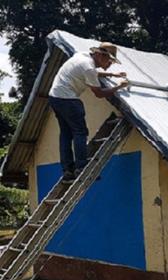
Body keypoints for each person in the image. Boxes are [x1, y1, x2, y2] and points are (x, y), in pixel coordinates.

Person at [48, 42, 128, 183]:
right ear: (98, 55)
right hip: (68, 99)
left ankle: (67, 171)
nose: (109, 64)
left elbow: (92, 72)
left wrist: (111, 74)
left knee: (66, 134)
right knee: (80, 132)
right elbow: (99, 93)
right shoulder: (88, 68)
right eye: (108, 60)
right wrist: (118, 87)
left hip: (55, 97)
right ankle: (81, 168)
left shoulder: (81, 56)